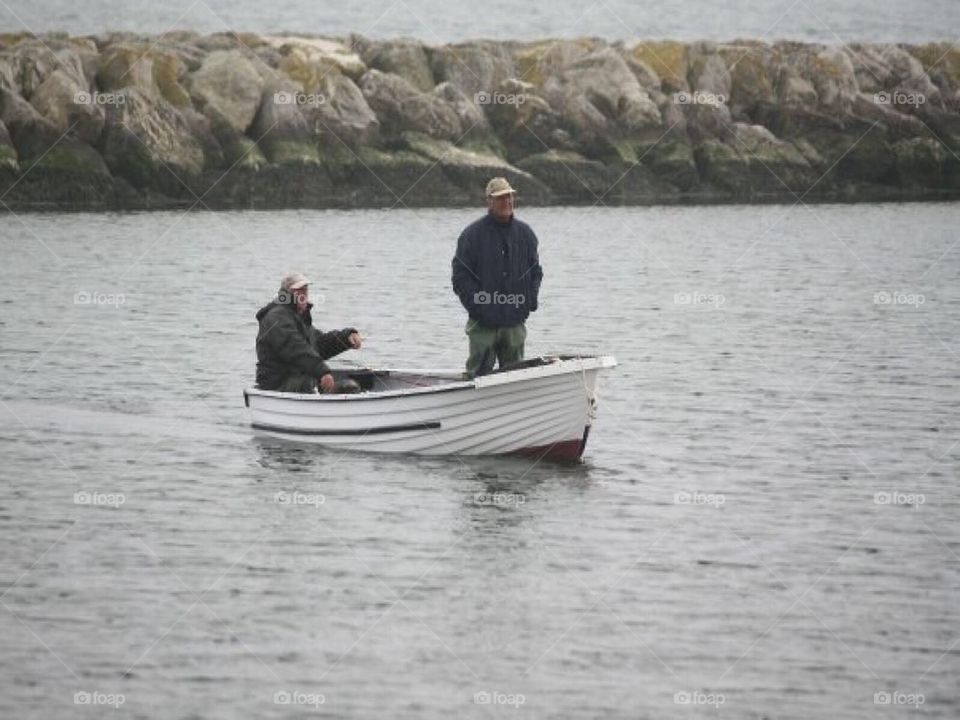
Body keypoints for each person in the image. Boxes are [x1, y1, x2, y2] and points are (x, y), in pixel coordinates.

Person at [451, 177, 543, 377]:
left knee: (516, 380)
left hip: (515, 323)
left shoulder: (526, 234)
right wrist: (478, 307)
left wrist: (530, 301)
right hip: (482, 326)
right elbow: (460, 277)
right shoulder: (471, 235)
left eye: (510, 196)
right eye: (501, 198)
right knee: (478, 377)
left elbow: (535, 272)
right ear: (489, 202)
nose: (507, 201)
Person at [255, 272, 363, 393]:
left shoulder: (297, 317)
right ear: (287, 294)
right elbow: (296, 349)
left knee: (351, 384)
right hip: (277, 385)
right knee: (337, 385)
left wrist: (346, 338)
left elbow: (318, 344)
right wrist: (322, 371)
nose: (303, 294)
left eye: (305, 290)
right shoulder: (277, 317)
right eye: (298, 290)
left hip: (296, 379)